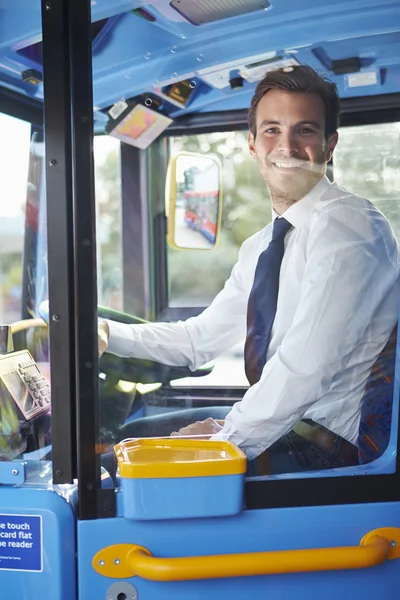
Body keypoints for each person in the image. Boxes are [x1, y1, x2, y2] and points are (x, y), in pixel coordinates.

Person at [98, 65, 400, 474]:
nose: (287, 147)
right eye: (272, 130)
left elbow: (305, 368)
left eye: (305, 131)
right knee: (127, 441)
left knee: (123, 465)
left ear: (330, 145)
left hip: (330, 444)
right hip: (292, 424)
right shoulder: (261, 246)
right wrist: (104, 334)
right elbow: (197, 340)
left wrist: (223, 443)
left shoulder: (347, 225)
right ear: (253, 145)